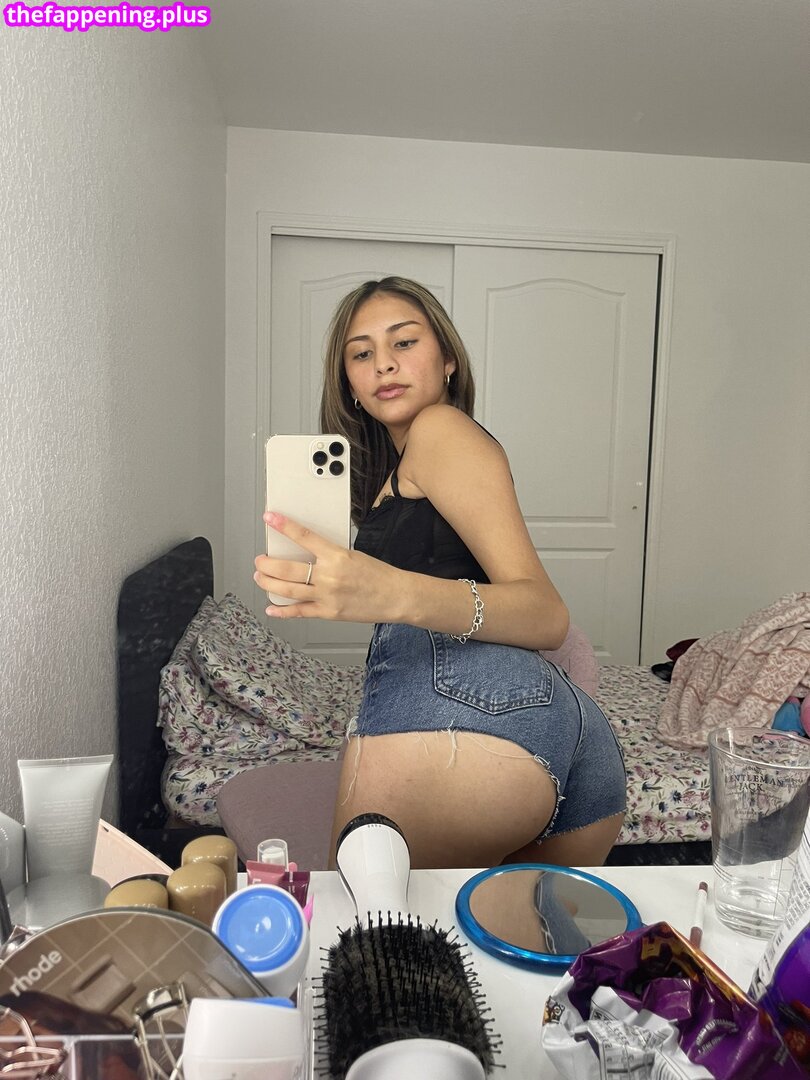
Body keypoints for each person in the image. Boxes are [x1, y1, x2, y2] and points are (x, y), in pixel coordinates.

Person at [254, 277, 626, 869]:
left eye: (404, 343)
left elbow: (546, 613)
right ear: (349, 384)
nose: (383, 364)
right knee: (503, 933)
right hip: (560, 734)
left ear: (448, 359)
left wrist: (392, 592)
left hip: (466, 704)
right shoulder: (410, 462)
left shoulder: (440, 430)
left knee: (372, 925)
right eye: (361, 354)